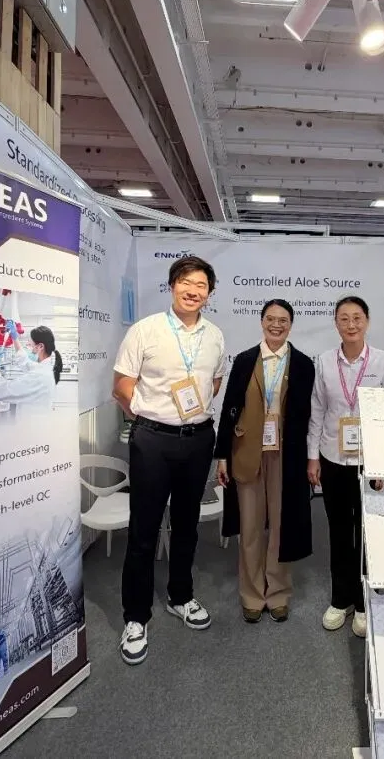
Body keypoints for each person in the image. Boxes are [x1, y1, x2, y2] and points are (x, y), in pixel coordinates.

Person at [112, 255, 226, 665]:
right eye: (186, 282)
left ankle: (181, 596)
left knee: (187, 525)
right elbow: (121, 387)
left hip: (198, 440)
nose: (193, 291)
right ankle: (135, 616)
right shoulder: (146, 330)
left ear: (209, 293)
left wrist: (188, 416)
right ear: (173, 285)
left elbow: (214, 382)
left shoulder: (215, 335)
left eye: (201, 285)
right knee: (143, 530)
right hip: (153, 441)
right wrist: (150, 419)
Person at [215, 299, 315, 624]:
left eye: (283, 320)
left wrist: (310, 458)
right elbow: (229, 408)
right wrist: (221, 455)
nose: (276, 325)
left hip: (287, 456)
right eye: (271, 319)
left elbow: (309, 415)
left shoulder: (302, 364)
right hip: (247, 452)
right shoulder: (245, 361)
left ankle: (278, 593)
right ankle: (252, 594)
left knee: (282, 526)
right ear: (261, 322)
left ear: (290, 325)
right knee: (250, 527)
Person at [307, 296, 384, 638]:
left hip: (368, 461)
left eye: (357, 318)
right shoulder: (324, 362)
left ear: (367, 321)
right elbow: (318, 410)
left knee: (366, 533)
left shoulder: (383, 361)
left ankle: (362, 603)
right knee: (338, 530)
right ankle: (340, 599)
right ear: (336, 323)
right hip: (332, 458)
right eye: (344, 318)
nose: (351, 324)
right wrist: (312, 456)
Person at [0, 323, 62, 411]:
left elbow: (1, 391)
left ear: (40, 346)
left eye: (31, 343)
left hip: (32, 418)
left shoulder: (38, 375)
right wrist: (14, 337)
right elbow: (24, 361)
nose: (28, 344)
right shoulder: (45, 368)